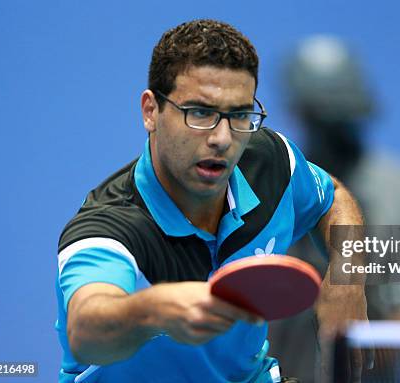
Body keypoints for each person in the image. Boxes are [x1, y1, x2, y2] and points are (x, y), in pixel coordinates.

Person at [55, 20, 370, 383]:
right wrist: (156, 309)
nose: (223, 138)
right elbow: (87, 328)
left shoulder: (269, 162)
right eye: (200, 113)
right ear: (151, 111)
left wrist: (347, 278)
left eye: (239, 114)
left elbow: (332, 196)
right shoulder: (111, 227)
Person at [268, 35, 400, 382]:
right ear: (302, 113)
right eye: (328, 120)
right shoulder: (278, 184)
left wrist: (388, 341)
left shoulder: (397, 184)